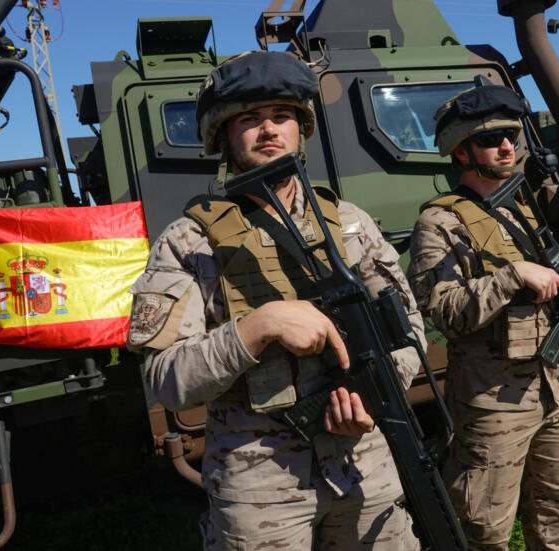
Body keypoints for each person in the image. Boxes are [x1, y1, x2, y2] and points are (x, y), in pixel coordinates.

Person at [126, 51, 423, 551]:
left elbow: (409, 331)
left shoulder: (350, 223)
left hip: (365, 462)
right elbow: (164, 380)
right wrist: (255, 327)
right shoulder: (188, 240)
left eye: (281, 116)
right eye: (249, 119)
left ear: (300, 128)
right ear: (222, 136)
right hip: (259, 484)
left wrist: (374, 393)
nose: (268, 130)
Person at [407, 85, 559, 551]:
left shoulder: (523, 206)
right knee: (484, 528)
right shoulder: (439, 223)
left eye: (512, 135)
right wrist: (511, 277)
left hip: (558, 391)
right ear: (460, 151)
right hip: (493, 404)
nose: (508, 146)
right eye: (492, 138)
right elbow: (443, 313)